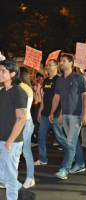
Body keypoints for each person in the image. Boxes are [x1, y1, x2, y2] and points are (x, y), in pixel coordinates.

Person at [49, 54, 86, 179]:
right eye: (61, 61)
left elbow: (85, 96)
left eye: (64, 61)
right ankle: (80, 164)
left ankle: (64, 170)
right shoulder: (60, 80)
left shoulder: (79, 78)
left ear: (71, 63)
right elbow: (57, 98)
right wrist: (53, 113)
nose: (61, 63)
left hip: (76, 116)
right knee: (74, 142)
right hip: (65, 114)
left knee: (69, 142)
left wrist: (85, 114)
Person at [0, 59, 35, 200]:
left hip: (11, 142)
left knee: (9, 177)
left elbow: (21, 120)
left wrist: (9, 142)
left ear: (13, 73)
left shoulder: (19, 92)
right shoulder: (2, 91)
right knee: (4, 176)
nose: (0, 73)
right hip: (1, 139)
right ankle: (25, 193)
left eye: (3, 71)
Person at [34, 59, 68, 168]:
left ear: (56, 66)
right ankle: (42, 159)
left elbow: (63, 98)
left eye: (50, 65)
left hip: (56, 114)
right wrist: (40, 111)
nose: (48, 67)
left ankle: (71, 156)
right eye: (47, 65)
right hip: (45, 114)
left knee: (60, 138)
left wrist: (60, 113)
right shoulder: (46, 80)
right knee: (41, 137)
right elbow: (44, 97)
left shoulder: (60, 79)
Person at [19, 67, 35, 188]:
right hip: (21, 122)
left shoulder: (23, 88)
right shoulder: (25, 87)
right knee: (16, 151)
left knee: (25, 151)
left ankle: (30, 177)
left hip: (25, 123)